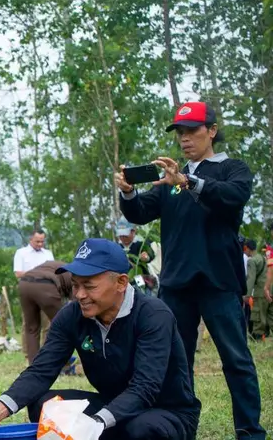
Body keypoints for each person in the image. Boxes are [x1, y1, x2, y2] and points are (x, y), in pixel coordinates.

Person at [115, 101, 265, 439]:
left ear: (211, 131)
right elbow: (140, 212)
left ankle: (250, 432)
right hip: (176, 285)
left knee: (236, 360)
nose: (185, 139)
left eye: (192, 131)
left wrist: (188, 181)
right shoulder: (170, 180)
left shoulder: (232, 169)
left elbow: (232, 197)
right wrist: (128, 193)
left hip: (219, 281)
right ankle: (181, 430)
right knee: (176, 364)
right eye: (180, 133)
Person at [0, 239, 201, 440]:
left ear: (120, 283)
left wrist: (94, 423)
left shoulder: (153, 315)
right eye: (76, 285)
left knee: (140, 429)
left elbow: (145, 388)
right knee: (44, 405)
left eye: (89, 286)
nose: (79, 295)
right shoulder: (72, 316)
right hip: (111, 408)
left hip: (166, 412)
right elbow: (40, 372)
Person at [17, 260, 72, 364]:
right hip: (45, 285)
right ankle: (63, 364)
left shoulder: (61, 266)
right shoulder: (78, 277)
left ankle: (33, 364)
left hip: (24, 283)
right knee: (63, 326)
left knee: (31, 329)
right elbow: (78, 307)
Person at [115, 216, 157, 295]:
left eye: (125, 235)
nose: (123, 238)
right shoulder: (117, 247)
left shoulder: (140, 243)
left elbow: (150, 254)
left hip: (141, 278)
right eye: (121, 235)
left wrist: (146, 257)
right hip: (125, 281)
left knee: (142, 294)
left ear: (133, 231)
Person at [246, 239, 271, 340]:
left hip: (260, 291)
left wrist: (247, 295)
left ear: (247, 248)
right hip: (269, 289)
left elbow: (250, 279)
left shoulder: (251, 261)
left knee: (258, 315)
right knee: (269, 315)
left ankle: (258, 336)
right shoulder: (263, 257)